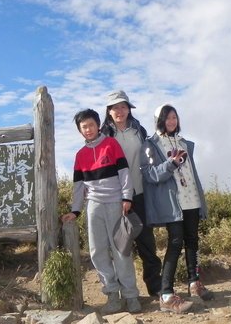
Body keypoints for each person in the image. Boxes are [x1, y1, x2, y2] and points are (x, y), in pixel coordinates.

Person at [62, 108, 141, 314]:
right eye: (83, 127)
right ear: (80, 131)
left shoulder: (111, 144)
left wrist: (127, 197)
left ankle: (131, 295)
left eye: (90, 125)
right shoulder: (80, 155)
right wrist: (76, 211)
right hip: (94, 205)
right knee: (97, 251)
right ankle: (112, 295)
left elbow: (124, 173)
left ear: (98, 125)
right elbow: (78, 187)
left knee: (121, 250)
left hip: (116, 202)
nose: (88, 129)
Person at [140, 104, 213, 314]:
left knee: (192, 241)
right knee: (174, 243)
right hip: (173, 203)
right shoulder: (151, 145)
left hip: (191, 199)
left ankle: (194, 283)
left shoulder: (185, 143)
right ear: (158, 121)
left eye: (174, 117)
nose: (171, 121)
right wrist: (170, 164)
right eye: (167, 118)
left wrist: (201, 199)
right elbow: (150, 174)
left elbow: (192, 173)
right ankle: (166, 294)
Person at [100, 90, 162, 297]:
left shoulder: (139, 130)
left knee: (147, 242)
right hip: (114, 196)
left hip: (140, 193)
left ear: (129, 109)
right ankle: (123, 292)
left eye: (123, 106)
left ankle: (156, 288)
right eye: (115, 107)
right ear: (109, 111)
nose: (120, 111)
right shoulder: (103, 135)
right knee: (119, 245)